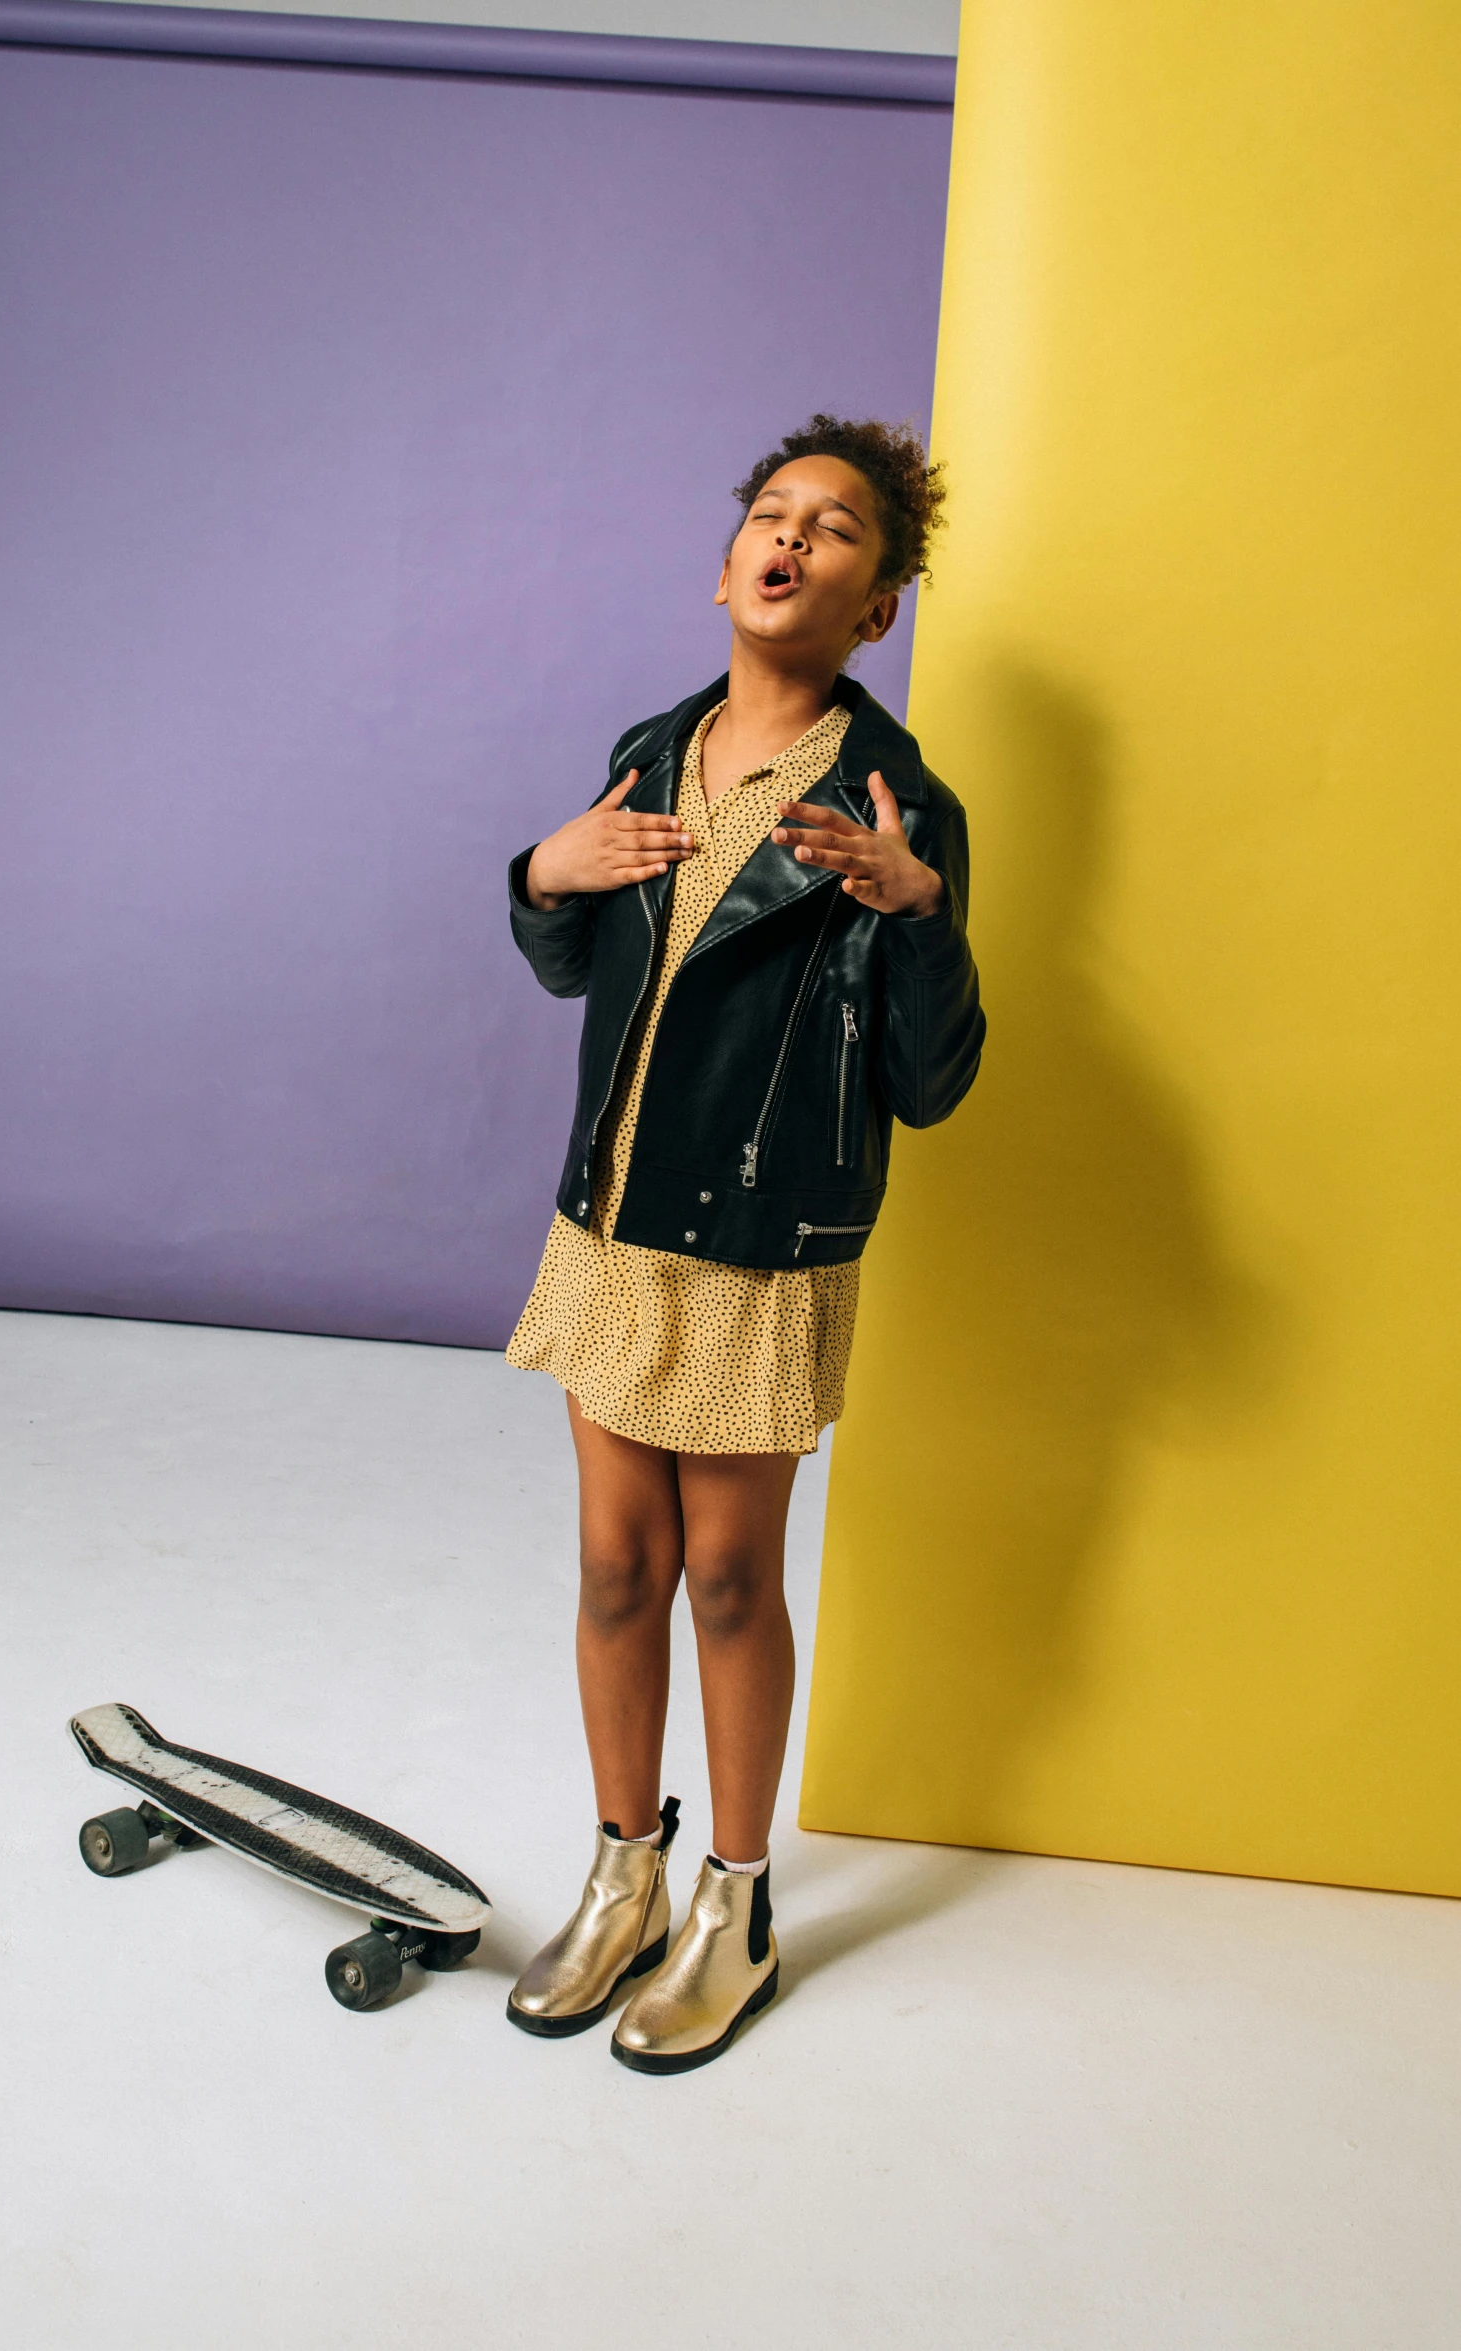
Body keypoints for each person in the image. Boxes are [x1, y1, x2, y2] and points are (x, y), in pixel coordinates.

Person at [502, 414, 984, 2073]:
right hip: (615, 1217)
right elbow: (578, 968)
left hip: (765, 1234)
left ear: (876, 605)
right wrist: (541, 875)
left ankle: (735, 1901)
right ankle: (623, 1865)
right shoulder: (651, 745)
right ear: (726, 567)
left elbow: (930, 1083)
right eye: (771, 516)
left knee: (724, 1575)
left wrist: (915, 917)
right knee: (613, 1566)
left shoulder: (895, 800)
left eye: (836, 527)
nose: (793, 537)